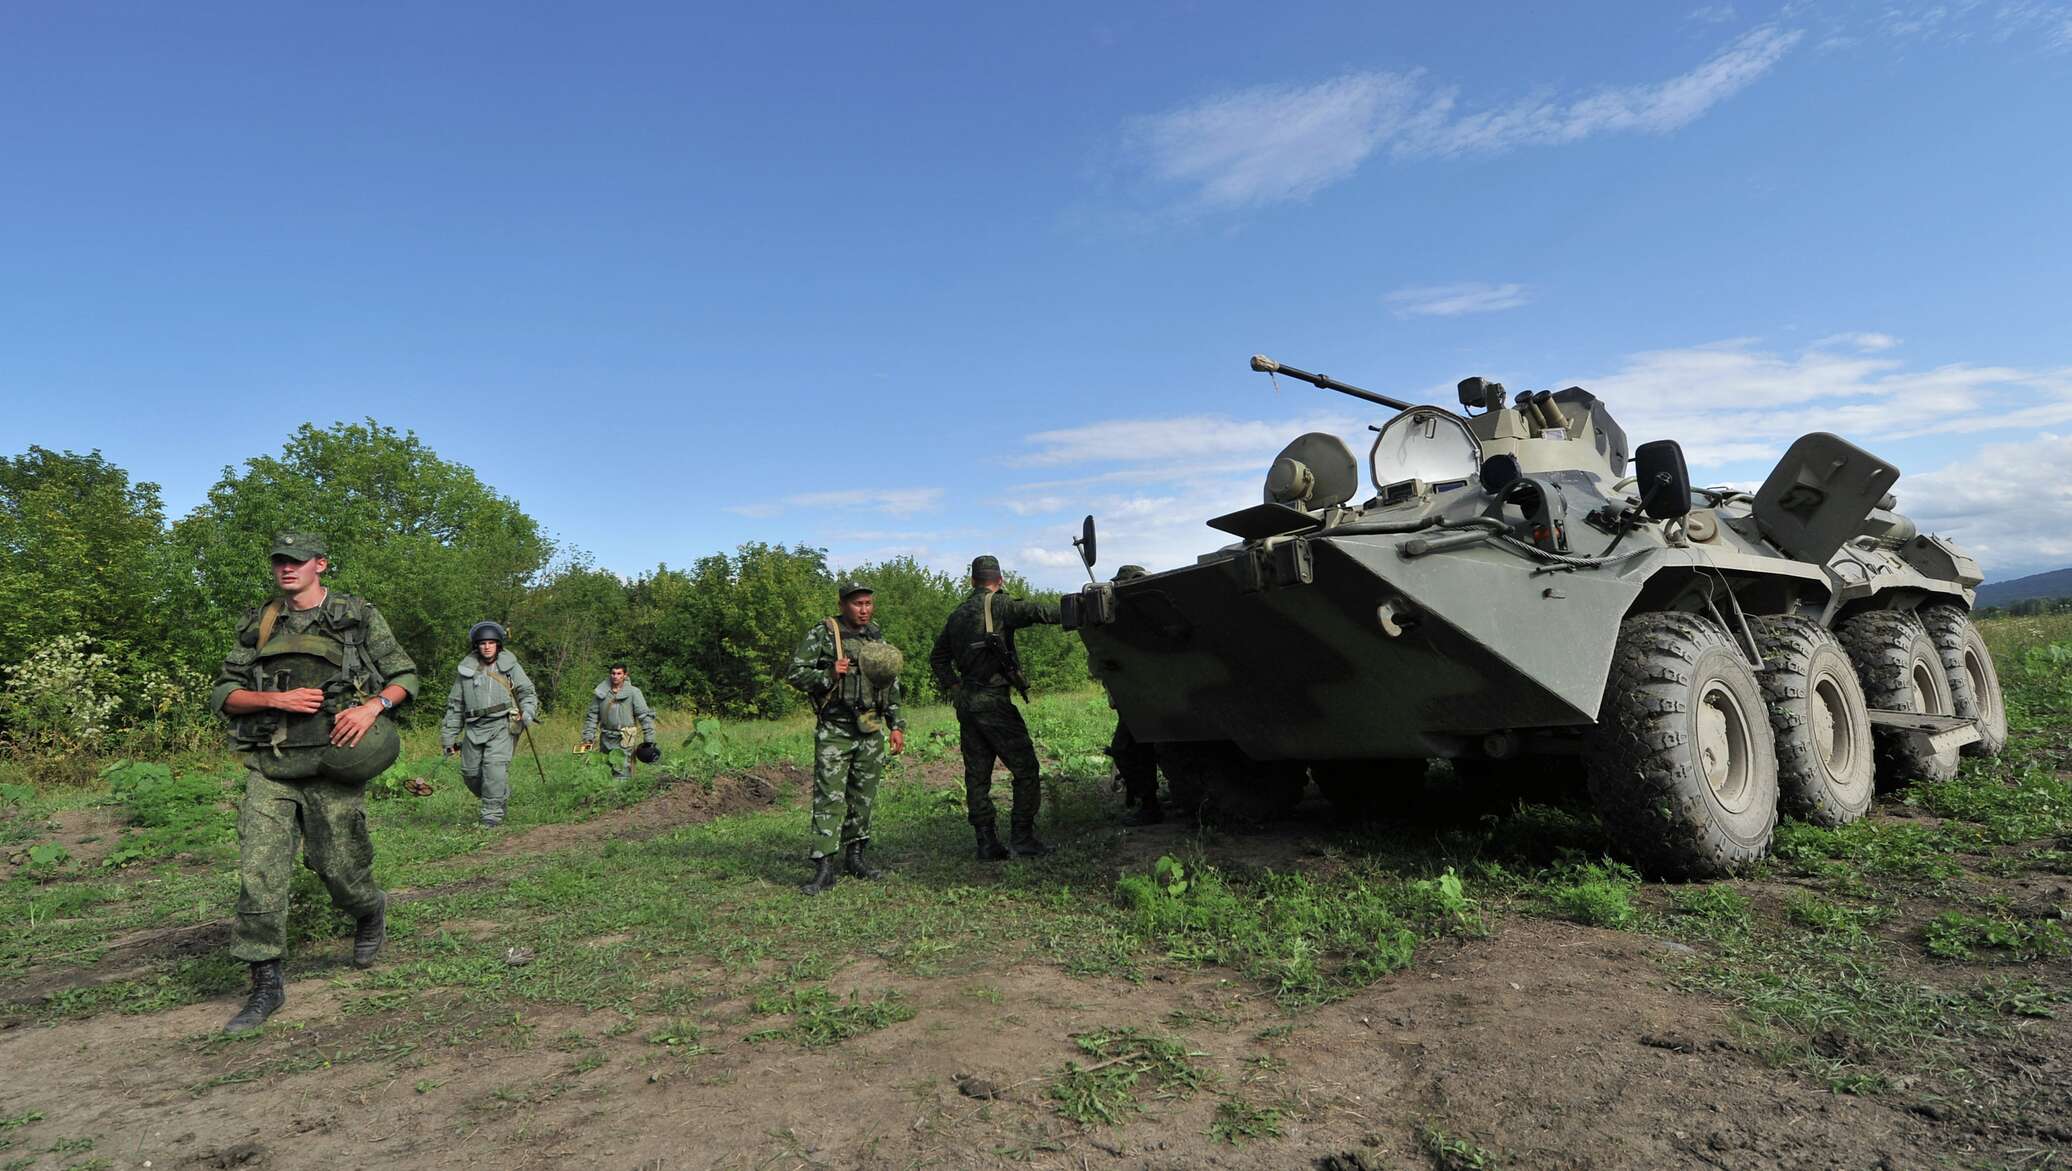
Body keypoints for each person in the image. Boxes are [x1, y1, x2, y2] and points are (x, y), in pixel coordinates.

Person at [209, 531, 419, 1034]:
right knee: (258, 871)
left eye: (297, 561)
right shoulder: (260, 622)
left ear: (320, 564)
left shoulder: (357, 615)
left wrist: (373, 707)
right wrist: (274, 701)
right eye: (280, 561)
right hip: (271, 766)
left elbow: (405, 676)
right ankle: (265, 982)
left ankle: (369, 910)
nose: (287, 569)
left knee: (339, 868)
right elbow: (224, 693)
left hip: (333, 764)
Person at [929, 555, 1060, 860]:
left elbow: (938, 659)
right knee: (1026, 769)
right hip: (993, 702)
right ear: (999, 580)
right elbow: (1038, 612)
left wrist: (955, 686)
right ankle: (1023, 838)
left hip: (967, 704)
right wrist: (1079, 610)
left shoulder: (957, 614)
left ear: (973, 581)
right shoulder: (999, 605)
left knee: (977, 776)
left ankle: (986, 843)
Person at [784, 580, 907, 894]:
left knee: (863, 796)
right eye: (857, 604)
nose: (864, 610)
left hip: (871, 724)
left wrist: (896, 725)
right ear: (842, 605)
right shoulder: (824, 633)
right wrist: (828, 674)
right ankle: (824, 867)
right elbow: (795, 672)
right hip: (836, 727)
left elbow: (889, 684)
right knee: (829, 797)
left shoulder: (875, 635)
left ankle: (856, 857)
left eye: (868, 603)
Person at [438, 620, 540, 828]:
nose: (486, 646)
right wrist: (449, 737)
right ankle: (499, 793)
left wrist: (527, 711)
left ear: (498, 645)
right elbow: (455, 705)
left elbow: (527, 692)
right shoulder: (466, 670)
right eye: (483, 643)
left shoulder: (510, 667)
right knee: (470, 773)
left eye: (491, 643)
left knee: (494, 768)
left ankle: (491, 814)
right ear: (477, 645)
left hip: (502, 724)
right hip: (474, 726)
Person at [1102, 566, 1163, 826]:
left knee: (1126, 749)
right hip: (1142, 697)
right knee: (1137, 749)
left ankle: (1149, 805)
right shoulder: (1139, 614)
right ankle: (1148, 802)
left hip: (1147, 697)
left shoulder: (1150, 614)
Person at [579, 662, 657, 780]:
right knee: (604, 770)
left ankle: (619, 795)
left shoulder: (633, 692)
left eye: (619, 673)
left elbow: (644, 716)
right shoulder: (601, 693)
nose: (615, 676)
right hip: (605, 737)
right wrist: (588, 737)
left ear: (625, 675)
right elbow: (592, 716)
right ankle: (604, 796)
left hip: (625, 738)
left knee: (622, 771)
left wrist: (649, 741)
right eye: (613, 673)